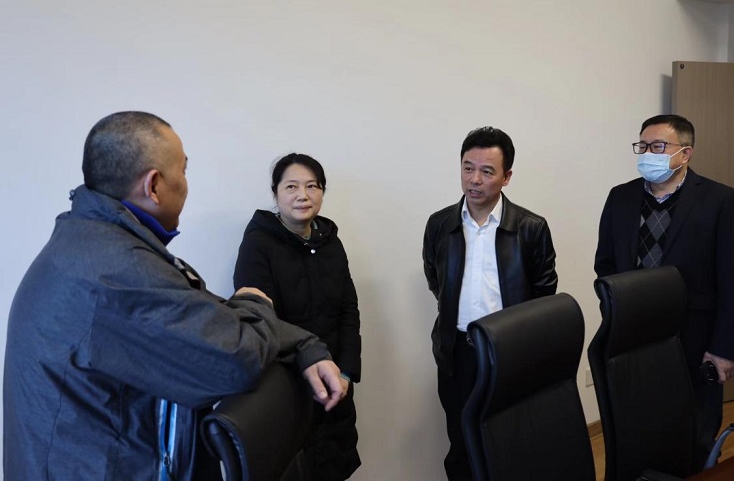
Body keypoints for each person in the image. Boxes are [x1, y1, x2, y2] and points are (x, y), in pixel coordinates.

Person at [3, 112, 344, 481]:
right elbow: (235, 356)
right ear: (153, 186)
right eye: (183, 171)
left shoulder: (93, 241)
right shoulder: (115, 270)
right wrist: (255, 301)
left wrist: (303, 344)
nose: (185, 183)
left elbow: (204, 315)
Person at [594, 114, 734, 472]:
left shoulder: (721, 200)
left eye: (657, 146)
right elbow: (605, 265)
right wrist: (617, 314)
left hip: (694, 342)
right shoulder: (621, 197)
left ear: (685, 153)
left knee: (691, 441)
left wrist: (726, 348)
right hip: (631, 339)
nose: (647, 153)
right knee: (633, 438)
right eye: (643, 146)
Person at [423, 126, 558, 480]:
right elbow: (435, 278)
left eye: (487, 171)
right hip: (457, 352)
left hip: (509, 351)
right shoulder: (440, 224)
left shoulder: (531, 228)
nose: (474, 179)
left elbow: (544, 295)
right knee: (461, 444)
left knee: (510, 441)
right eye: (468, 168)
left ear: (506, 177)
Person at [233, 153, 361, 481]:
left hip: (335, 384)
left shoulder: (330, 242)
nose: (302, 195)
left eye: (312, 186)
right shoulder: (258, 244)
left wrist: (346, 373)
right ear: (275, 193)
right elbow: (259, 322)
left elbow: (348, 310)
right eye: (291, 186)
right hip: (286, 388)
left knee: (333, 467)